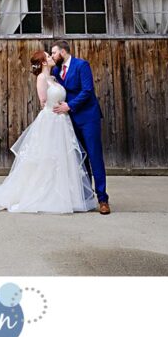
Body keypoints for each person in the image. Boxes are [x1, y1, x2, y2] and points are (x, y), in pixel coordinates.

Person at [0, 50, 98, 214]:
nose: (52, 58)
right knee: (47, 156)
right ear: (44, 62)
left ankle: (66, 194)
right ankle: (44, 193)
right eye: (49, 56)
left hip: (62, 121)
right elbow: (44, 101)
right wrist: (56, 108)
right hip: (51, 120)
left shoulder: (54, 77)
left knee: (62, 157)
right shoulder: (42, 78)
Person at [50, 39, 111, 214]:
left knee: (94, 156)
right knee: (80, 159)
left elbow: (87, 90)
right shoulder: (56, 70)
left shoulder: (81, 65)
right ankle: (86, 197)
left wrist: (69, 106)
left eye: (54, 52)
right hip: (69, 121)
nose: (53, 56)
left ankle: (103, 199)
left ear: (62, 52)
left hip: (88, 118)